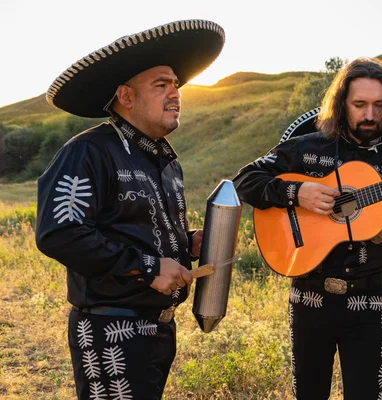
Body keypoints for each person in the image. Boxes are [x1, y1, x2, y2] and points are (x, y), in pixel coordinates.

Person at [233, 57, 382, 399]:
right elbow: (244, 181)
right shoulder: (306, 148)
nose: (370, 115)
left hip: (368, 300)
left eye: (378, 105)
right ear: (341, 103)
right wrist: (296, 193)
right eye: (359, 105)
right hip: (310, 295)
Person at [35, 19, 225, 399]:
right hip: (111, 333)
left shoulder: (166, 161)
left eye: (176, 85)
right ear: (126, 96)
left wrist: (186, 243)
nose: (175, 94)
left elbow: (133, 227)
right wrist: (150, 268)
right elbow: (60, 232)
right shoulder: (89, 151)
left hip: (158, 332)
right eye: (161, 85)